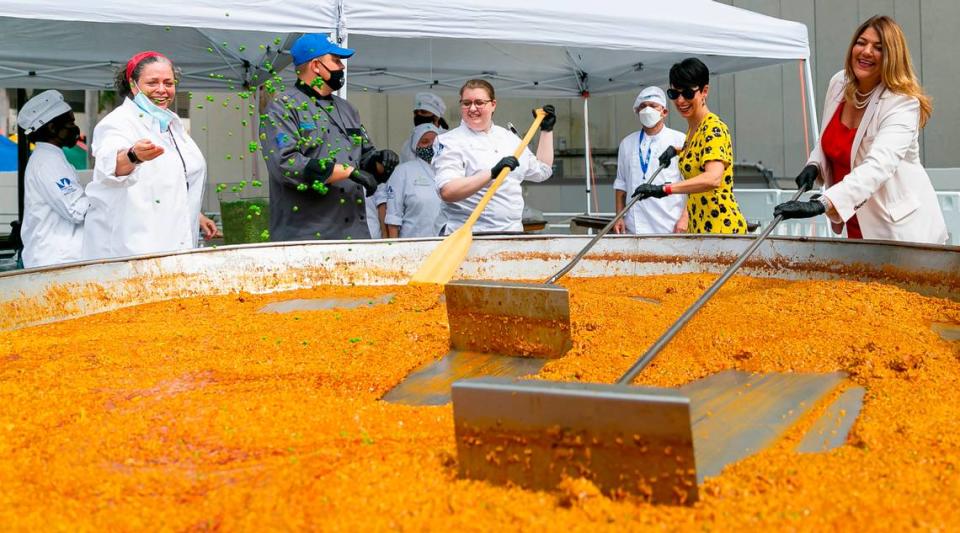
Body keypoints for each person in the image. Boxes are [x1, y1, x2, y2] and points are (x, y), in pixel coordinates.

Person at [774, 16, 947, 244]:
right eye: (861, 42)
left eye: (878, 48)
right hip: (854, 221)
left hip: (899, 230)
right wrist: (814, 165)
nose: (866, 51)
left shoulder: (902, 103)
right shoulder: (839, 82)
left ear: (892, 57)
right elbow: (829, 137)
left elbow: (877, 166)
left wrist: (822, 203)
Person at [261, 33, 398, 241]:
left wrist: (381, 162)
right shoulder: (282, 107)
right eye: (335, 60)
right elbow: (286, 165)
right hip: (307, 236)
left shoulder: (347, 109)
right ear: (316, 66)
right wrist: (347, 172)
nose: (342, 67)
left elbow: (364, 159)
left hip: (354, 233)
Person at [85, 51, 216, 260]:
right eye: (152, 83)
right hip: (131, 248)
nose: (162, 90)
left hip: (175, 244)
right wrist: (133, 155)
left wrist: (194, 213)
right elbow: (110, 166)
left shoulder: (172, 123)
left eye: (169, 83)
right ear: (133, 84)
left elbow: (175, 179)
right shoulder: (118, 122)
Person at [633, 58, 747, 234]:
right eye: (674, 94)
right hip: (700, 228)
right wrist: (678, 151)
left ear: (704, 91)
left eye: (687, 93)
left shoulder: (713, 128)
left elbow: (713, 178)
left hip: (721, 230)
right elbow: (700, 153)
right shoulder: (694, 129)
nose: (680, 101)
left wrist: (664, 189)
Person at [432, 79, 555, 234]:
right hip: (468, 235)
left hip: (512, 234)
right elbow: (448, 191)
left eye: (479, 102)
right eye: (466, 103)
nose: (472, 108)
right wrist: (491, 173)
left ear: (493, 105)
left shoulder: (509, 138)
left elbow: (542, 171)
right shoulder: (449, 141)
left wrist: (546, 130)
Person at [17, 90, 88, 268]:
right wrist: (105, 190)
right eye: (70, 122)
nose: (74, 127)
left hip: (57, 260)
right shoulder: (48, 162)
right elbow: (77, 210)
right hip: (55, 262)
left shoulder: (51, 158)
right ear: (51, 127)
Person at [613, 86, 687, 234]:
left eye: (653, 106)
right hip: (634, 226)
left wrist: (685, 217)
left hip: (671, 226)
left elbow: (691, 185)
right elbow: (621, 185)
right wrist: (619, 216)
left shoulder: (680, 140)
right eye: (643, 107)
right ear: (637, 112)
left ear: (664, 112)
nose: (647, 110)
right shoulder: (626, 143)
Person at [384, 123, 445, 238]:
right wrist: (395, 250)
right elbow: (393, 216)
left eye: (435, 141)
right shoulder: (402, 171)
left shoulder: (449, 169)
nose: (431, 145)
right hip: (413, 243)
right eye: (425, 142)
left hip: (447, 245)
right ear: (416, 146)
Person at [399, 92, 448, 163]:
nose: (418, 115)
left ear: (436, 117)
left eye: (423, 112)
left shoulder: (448, 139)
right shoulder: (408, 143)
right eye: (416, 113)